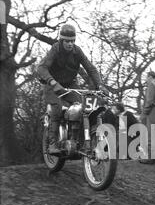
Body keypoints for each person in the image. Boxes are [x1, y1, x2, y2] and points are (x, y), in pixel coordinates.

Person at [37, 24, 106, 154]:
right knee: (56, 108)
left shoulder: (77, 51)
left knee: (82, 107)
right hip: (52, 84)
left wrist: (100, 85)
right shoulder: (55, 50)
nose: (70, 44)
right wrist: (52, 82)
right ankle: (52, 144)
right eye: (67, 41)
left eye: (72, 41)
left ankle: (76, 140)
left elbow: (90, 68)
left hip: (70, 84)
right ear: (61, 40)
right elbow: (41, 68)